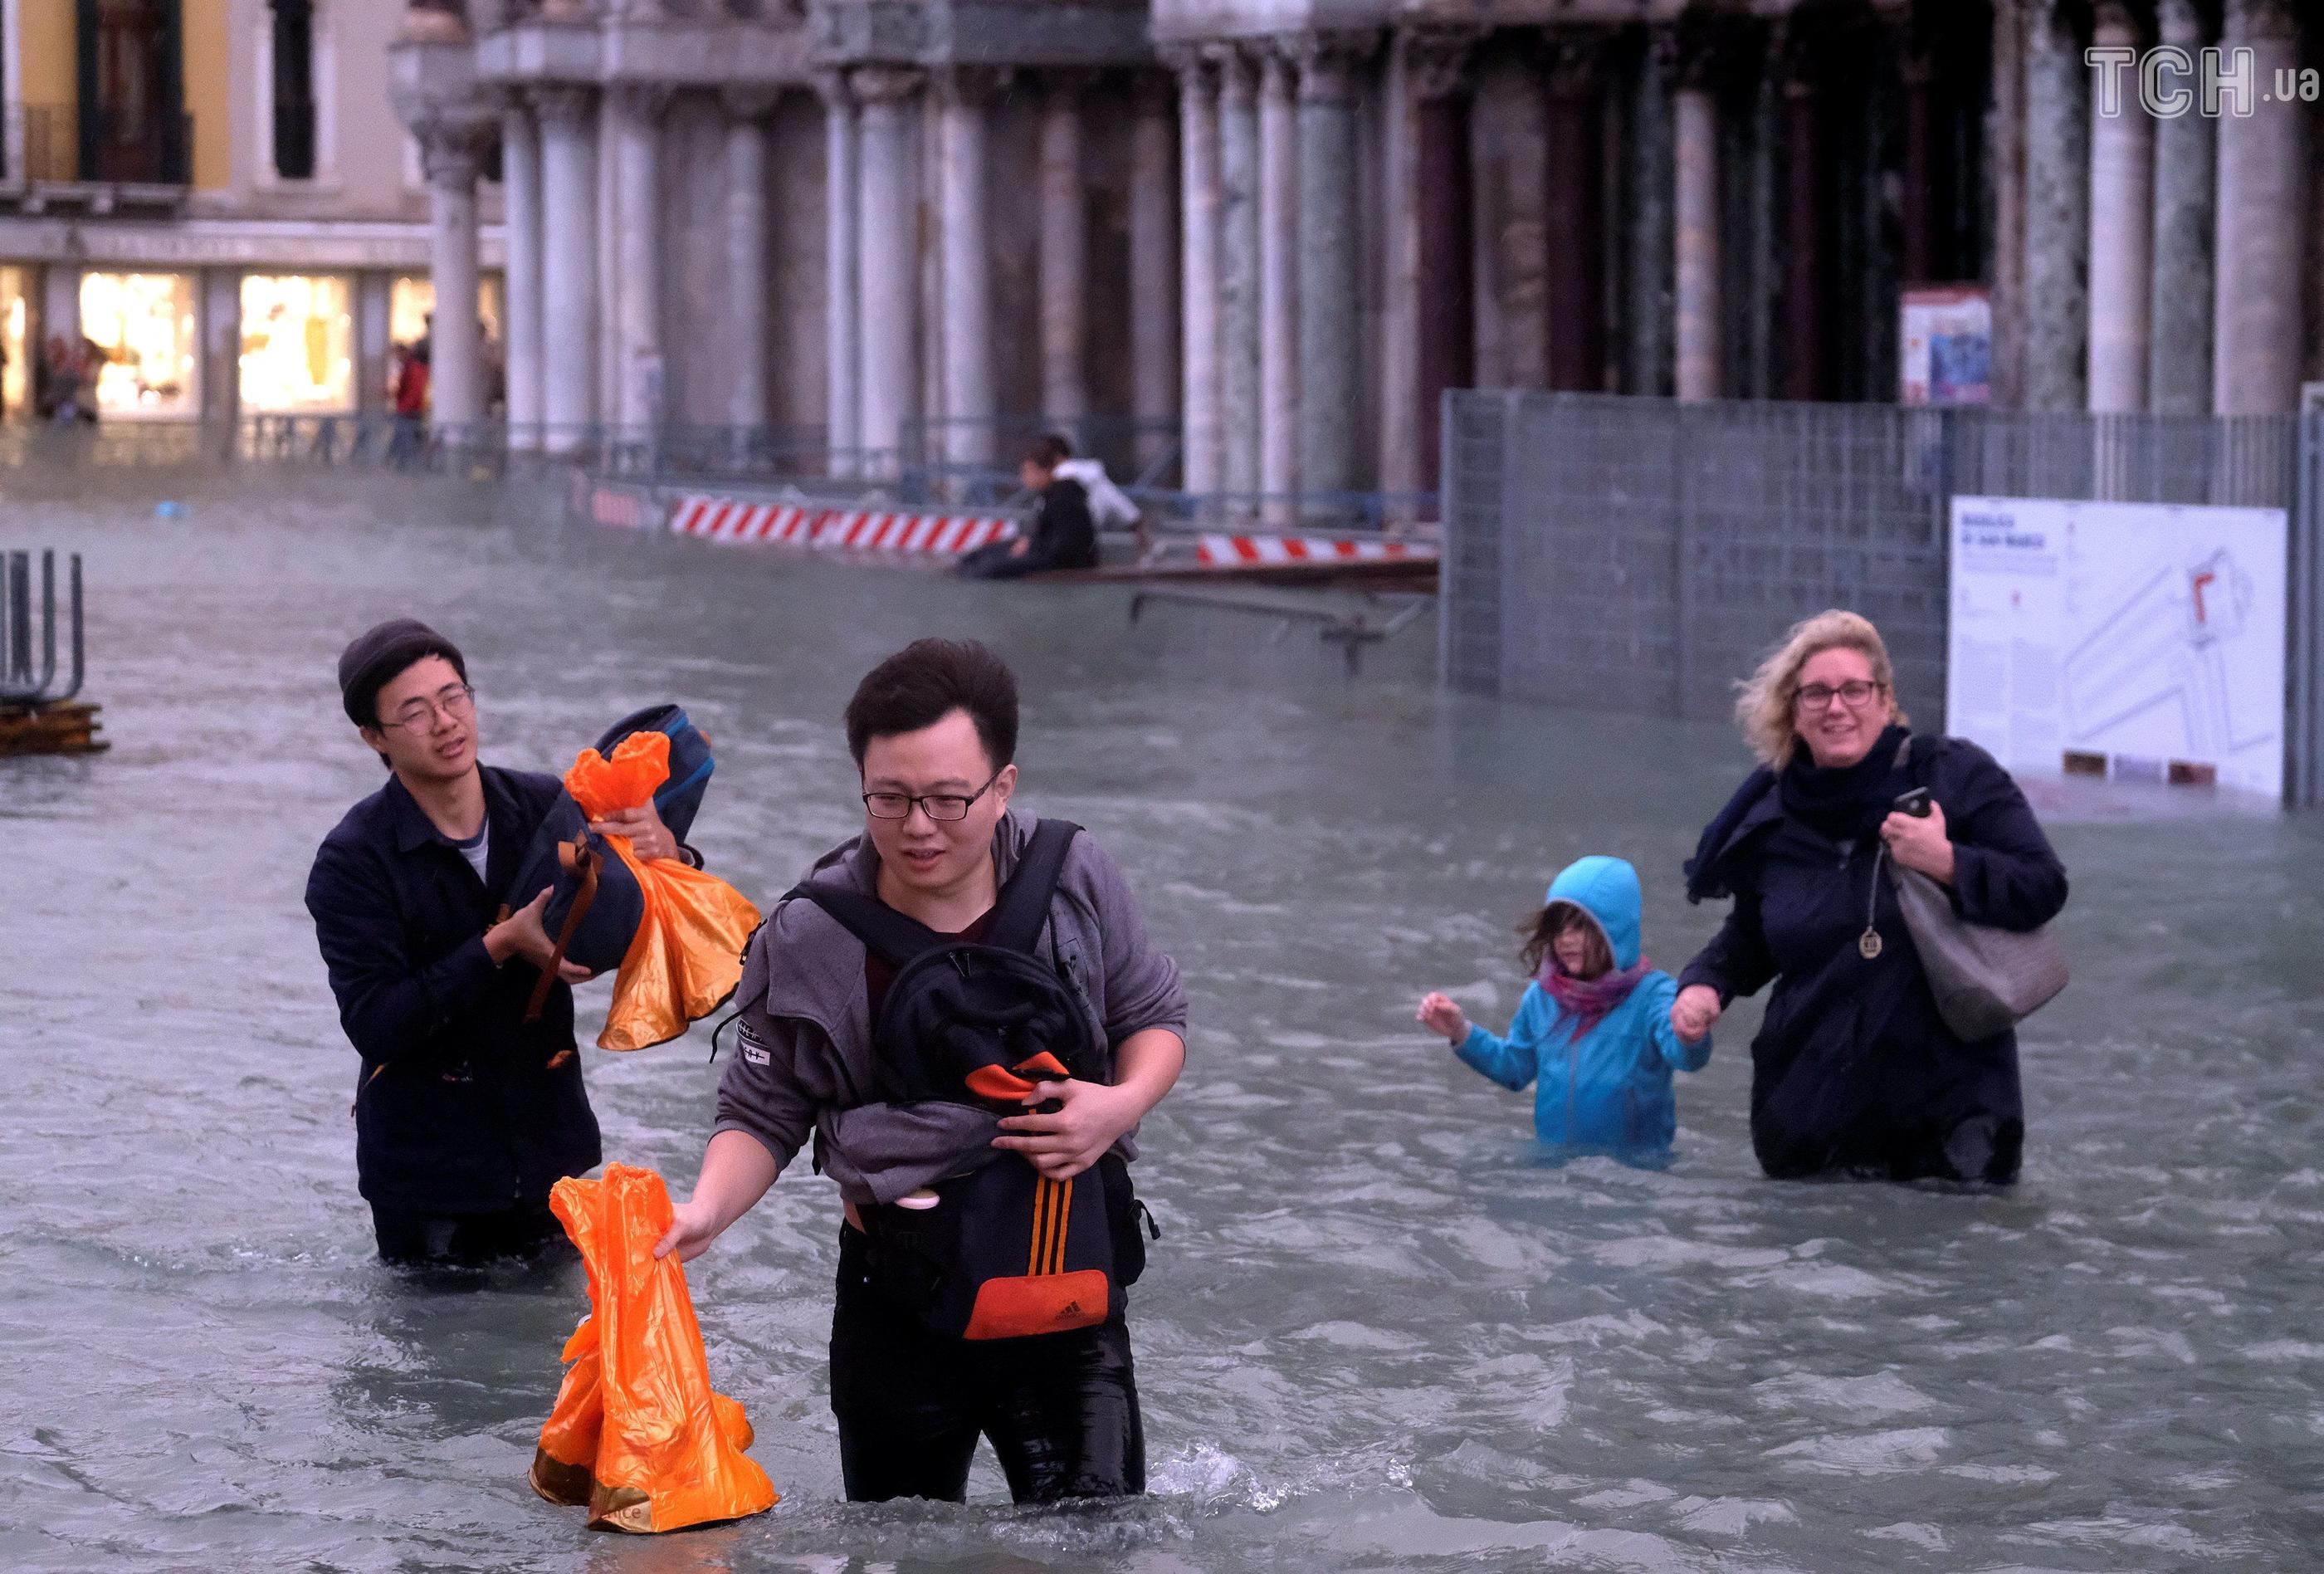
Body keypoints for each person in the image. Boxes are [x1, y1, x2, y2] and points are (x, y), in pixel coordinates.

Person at [653, 638, 1187, 1503]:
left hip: (1065, 1298)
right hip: (895, 1304)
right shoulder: (812, 930)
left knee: (1096, 1547)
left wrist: (1116, 1105)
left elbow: (1154, 1018)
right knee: (900, 1549)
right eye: (889, 798)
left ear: (1003, 785)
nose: (918, 827)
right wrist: (706, 1210)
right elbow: (762, 1106)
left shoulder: (1071, 876)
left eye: (947, 799)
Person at [304, 620, 684, 1265]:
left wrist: (665, 857)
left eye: (454, 698)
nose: (446, 723)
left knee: (549, 1358)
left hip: (552, 1155)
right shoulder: (353, 861)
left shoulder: (548, 807)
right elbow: (376, 1024)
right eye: (415, 713)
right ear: (374, 738)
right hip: (428, 1180)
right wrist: (498, 946)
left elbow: (640, 927)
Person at [1671, 609, 2068, 1185]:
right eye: (1816, 694)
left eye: (1855, 689)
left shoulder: (1954, 776)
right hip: (1811, 1128)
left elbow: (2043, 886)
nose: (1837, 707)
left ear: (1885, 700)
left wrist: (1948, 862)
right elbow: (1755, 934)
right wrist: (1706, 984)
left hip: (1953, 1131)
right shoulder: (1773, 817)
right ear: (1793, 712)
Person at [1417, 856, 1710, 1161]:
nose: (1566, 939)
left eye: (1581, 926)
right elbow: (1515, 1069)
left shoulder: (1654, 995)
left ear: (1616, 930)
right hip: (1554, 1167)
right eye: (1558, 929)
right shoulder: (1542, 997)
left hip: (1635, 1173)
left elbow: (1686, 1058)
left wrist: (1691, 1036)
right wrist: (1461, 1032)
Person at [957, 435, 1099, 579]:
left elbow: (1063, 545)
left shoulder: (1064, 496)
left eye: (1028, 471)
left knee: (992, 567)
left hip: (1067, 561)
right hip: (1046, 551)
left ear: (1043, 472)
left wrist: (1031, 547)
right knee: (981, 555)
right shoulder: (1050, 495)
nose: (1024, 477)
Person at [388, 343, 429, 467]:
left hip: (409, 409)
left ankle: (403, 462)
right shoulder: (410, 368)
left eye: (398, 354)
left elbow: (415, 391)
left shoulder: (414, 369)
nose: (397, 358)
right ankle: (403, 462)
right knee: (409, 437)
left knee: (406, 436)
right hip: (409, 408)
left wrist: (406, 407)